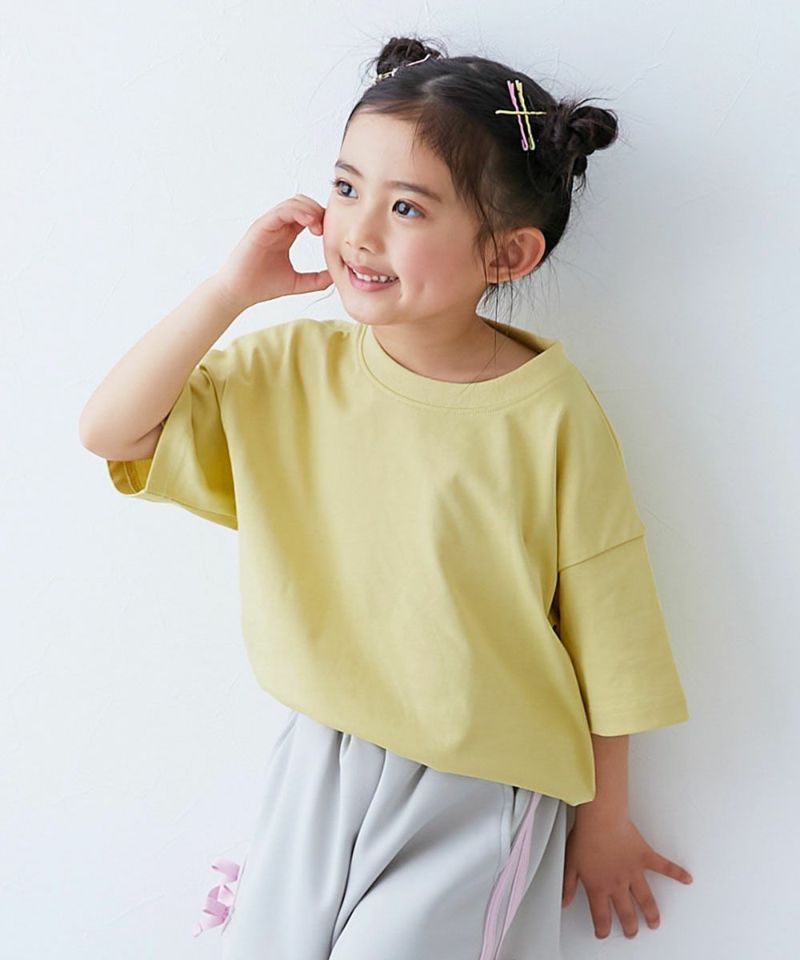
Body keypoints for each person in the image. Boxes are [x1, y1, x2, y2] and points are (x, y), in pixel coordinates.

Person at [79, 34, 693, 960]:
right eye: (345, 187)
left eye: (406, 206)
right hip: (318, 762)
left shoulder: (549, 414)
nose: (358, 231)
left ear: (508, 253)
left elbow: (611, 632)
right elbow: (111, 431)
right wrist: (228, 293)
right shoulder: (288, 369)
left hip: (482, 779)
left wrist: (605, 820)